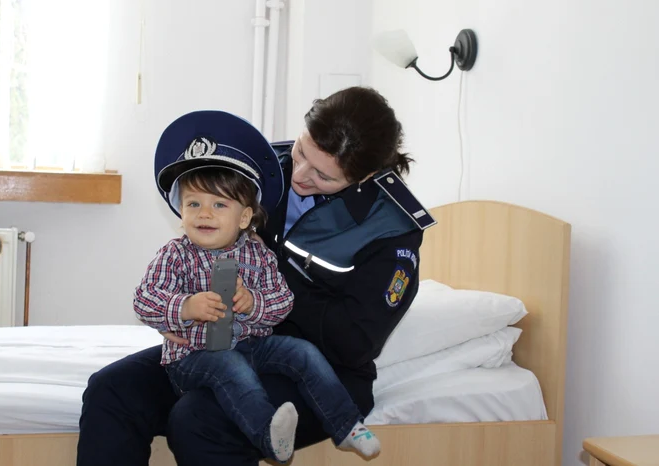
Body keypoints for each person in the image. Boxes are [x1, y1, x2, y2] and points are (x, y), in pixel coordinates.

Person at [77, 86, 433, 466]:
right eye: (300, 151)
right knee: (110, 390)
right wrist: (180, 310)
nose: (298, 174)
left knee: (199, 418)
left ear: (367, 175)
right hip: (228, 340)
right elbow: (201, 246)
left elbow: (354, 342)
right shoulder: (260, 167)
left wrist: (267, 285)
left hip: (322, 371)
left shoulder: (391, 227)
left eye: (323, 176)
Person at [132, 120, 381, 463]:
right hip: (196, 356)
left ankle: (347, 425)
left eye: (219, 205)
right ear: (181, 212)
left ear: (245, 216)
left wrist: (253, 304)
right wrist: (185, 306)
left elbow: (283, 302)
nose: (204, 213)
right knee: (232, 369)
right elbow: (144, 300)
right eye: (193, 204)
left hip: (253, 345)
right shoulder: (175, 254)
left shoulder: (257, 254)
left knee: (303, 352)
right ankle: (269, 435)